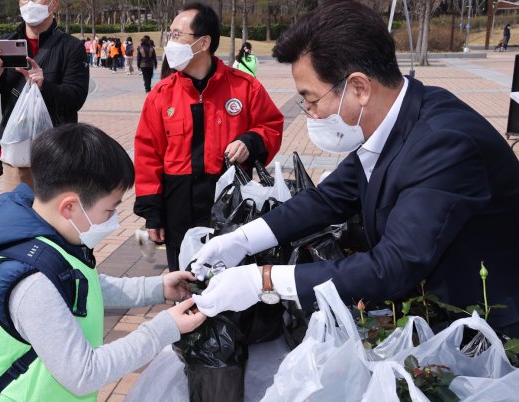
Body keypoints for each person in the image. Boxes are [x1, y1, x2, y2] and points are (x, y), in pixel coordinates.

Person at [191, 1, 519, 337]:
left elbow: (393, 266)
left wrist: (264, 280)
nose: (310, 112)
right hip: (438, 310)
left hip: (488, 327)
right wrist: (242, 239)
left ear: (359, 88)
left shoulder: (444, 144)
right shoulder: (395, 118)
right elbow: (328, 199)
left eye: (313, 99)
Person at [0, 123, 206, 400]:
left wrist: (158, 287)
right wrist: (163, 329)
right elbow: (84, 374)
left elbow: (87, 287)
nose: (114, 220)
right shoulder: (33, 283)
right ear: (69, 207)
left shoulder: (50, 238)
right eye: (109, 209)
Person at [133, 2, 283, 272]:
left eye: (178, 35)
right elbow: (147, 155)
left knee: (231, 273)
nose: (171, 42)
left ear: (203, 43)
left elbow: (271, 126)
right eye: (170, 34)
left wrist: (250, 142)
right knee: (185, 275)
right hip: (179, 200)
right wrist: (152, 214)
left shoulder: (244, 87)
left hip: (230, 199)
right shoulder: (161, 94)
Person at [0, 0, 89, 192]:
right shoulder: (6, 43)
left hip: (57, 153)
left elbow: (75, 97)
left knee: (54, 219)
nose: (30, 3)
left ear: (53, 5)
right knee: (19, 217)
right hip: (16, 153)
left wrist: (44, 85)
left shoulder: (71, 47)